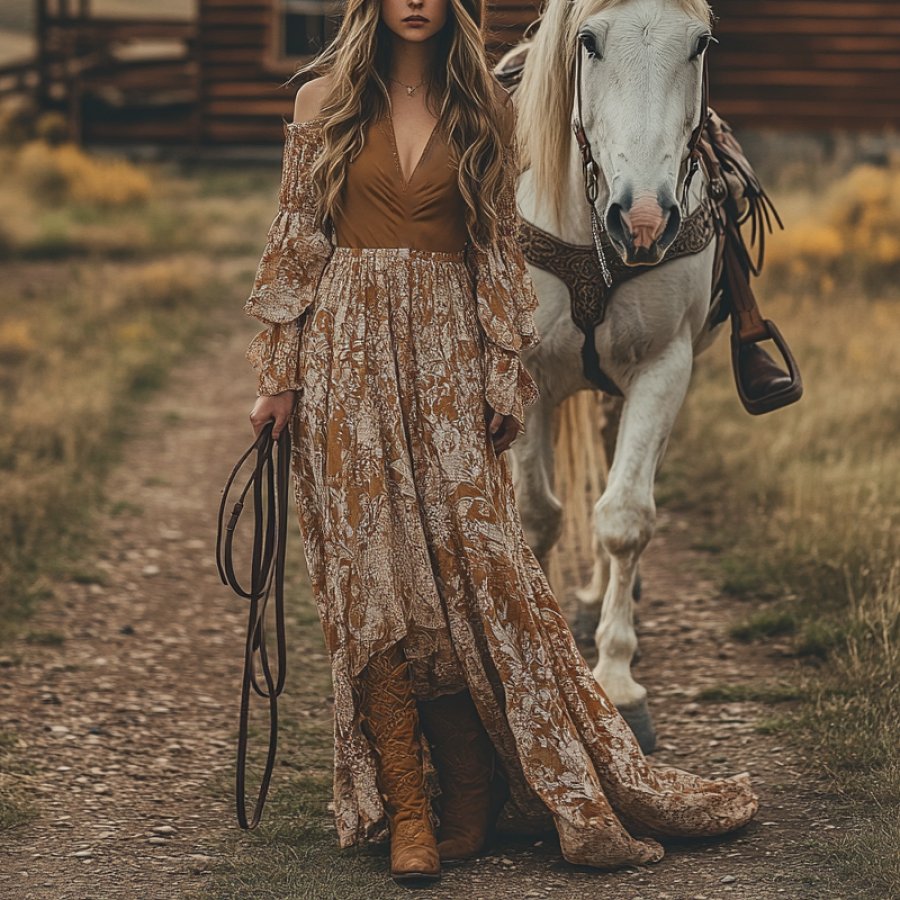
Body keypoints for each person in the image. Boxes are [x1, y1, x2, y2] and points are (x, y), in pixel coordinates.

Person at [244, 0, 758, 885]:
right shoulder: (321, 99)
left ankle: (476, 792)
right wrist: (279, 376)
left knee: (468, 578)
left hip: (449, 354)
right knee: (369, 582)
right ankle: (409, 808)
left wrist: (501, 368)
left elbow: (492, 244)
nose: (416, 1)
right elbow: (298, 240)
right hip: (344, 359)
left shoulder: (489, 100)